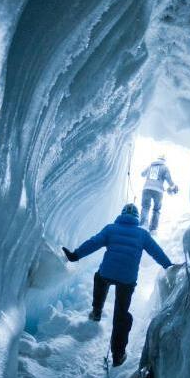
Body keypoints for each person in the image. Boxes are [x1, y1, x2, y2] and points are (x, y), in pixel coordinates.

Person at [62, 203, 172, 366]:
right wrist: (169, 266)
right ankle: (118, 355)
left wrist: (76, 255)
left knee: (99, 278)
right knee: (121, 315)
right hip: (127, 280)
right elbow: (157, 251)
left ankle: (97, 311)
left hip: (107, 272)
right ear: (136, 218)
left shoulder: (111, 229)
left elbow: (93, 243)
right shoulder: (142, 234)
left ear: (121, 214)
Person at [140, 154, 178, 233]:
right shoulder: (165, 167)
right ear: (164, 160)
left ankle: (143, 225)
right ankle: (153, 229)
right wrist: (173, 187)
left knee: (145, 207)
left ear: (157, 159)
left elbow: (142, 174)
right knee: (156, 209)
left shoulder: (151, 165)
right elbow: (169, 179)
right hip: (158, 191)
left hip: (146, 188)